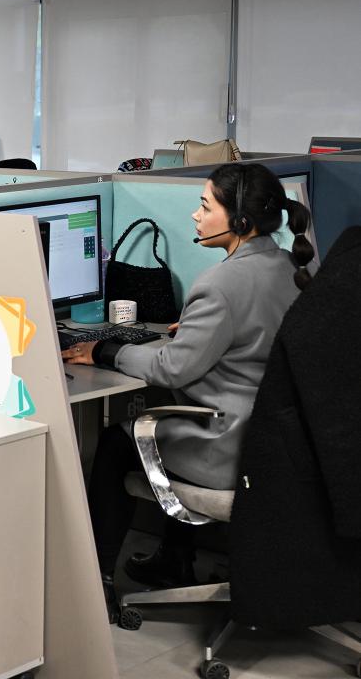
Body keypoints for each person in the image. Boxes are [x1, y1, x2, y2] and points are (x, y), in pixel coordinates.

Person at [63, 162, 315, 621]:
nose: (196, 216)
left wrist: (104, 350)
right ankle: (174, 559)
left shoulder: (220, 284)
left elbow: (171, 368)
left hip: (229, 447)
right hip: (278, 446)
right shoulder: (292, 266)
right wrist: (203, 329)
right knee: (168, 418)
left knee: (119, 442)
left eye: (205, 206)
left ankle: (95, 586)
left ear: (240, 220)